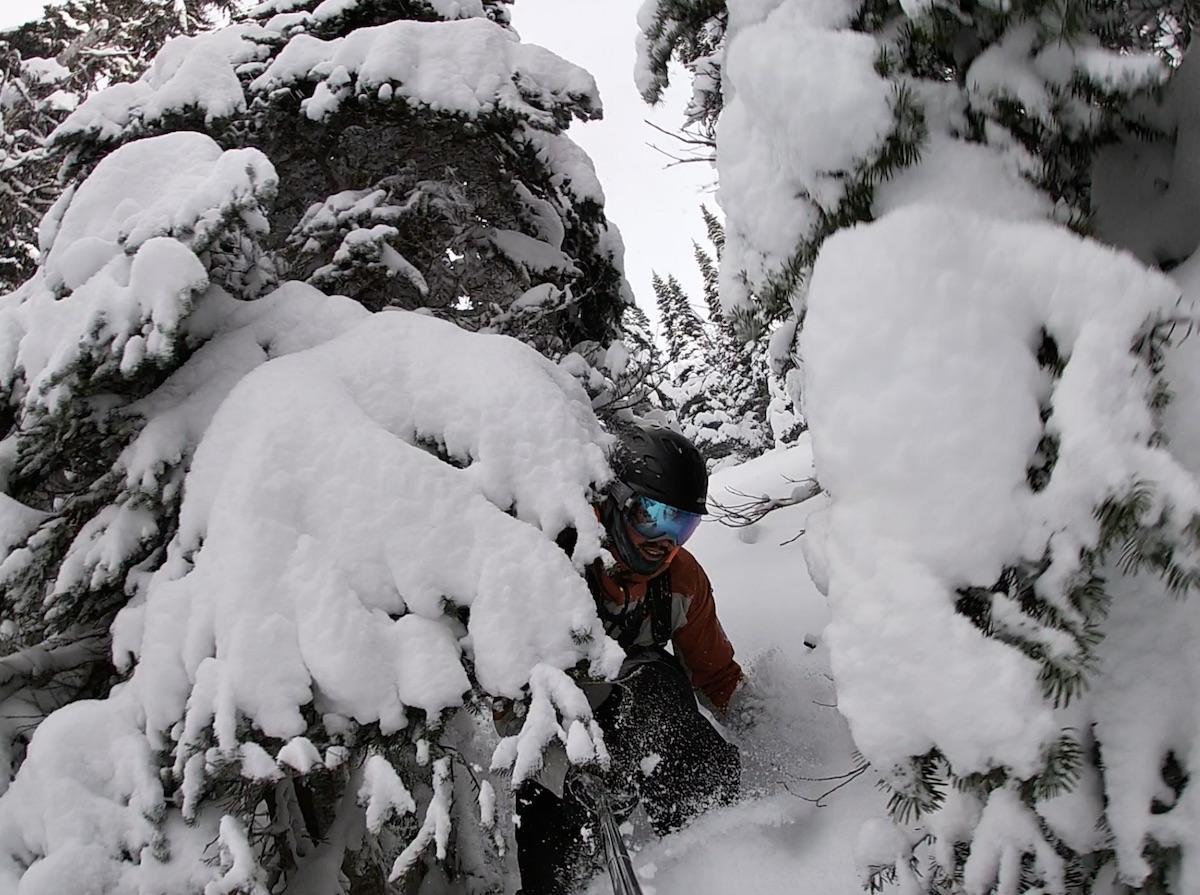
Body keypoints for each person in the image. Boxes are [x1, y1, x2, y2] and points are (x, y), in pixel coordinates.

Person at [513, 422, 744, 895]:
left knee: (656, 685)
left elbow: (717, 675)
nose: (666, 541)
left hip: (646, 715)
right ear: (617, 502)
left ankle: (723, 854)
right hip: (562, 730)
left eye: (683, 526)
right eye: (653, 517)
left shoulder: (680, 580)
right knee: (547, 813)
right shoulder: (555, 562)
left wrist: (764, 725)